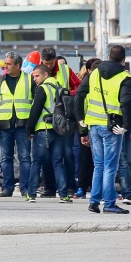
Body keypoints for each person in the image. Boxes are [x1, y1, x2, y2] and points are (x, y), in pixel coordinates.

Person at [75, 45, 131, 215]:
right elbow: (125, 104)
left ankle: (94, 202)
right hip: (113, 126)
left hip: (93, 123)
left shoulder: (95, 73)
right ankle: (109, 203)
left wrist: (81, 120)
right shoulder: (124, 77)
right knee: (110, 166)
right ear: (123, 59)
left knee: (99, 165)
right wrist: (125, 126)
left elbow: (78, 95)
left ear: (109, 56)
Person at [38, 48, 81, 198]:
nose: (48, 66)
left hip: (64, 119)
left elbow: (79, 86)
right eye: (45, 63)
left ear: (55, 59)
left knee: (68, 154)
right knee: (46, 156)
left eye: (50, 63)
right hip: (46, 120)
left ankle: (70, 186)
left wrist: (68, 95)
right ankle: (49, 187)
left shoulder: (65, 70)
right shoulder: (37, 71)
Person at [27, 64, 71, 203]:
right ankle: (64, 195)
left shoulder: (43, 89)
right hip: (58, 130)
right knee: (58, 163)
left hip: (43, 130)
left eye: (37, 76)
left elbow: (35, 111)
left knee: (36, 162)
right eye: (33, 76)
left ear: (46, 75)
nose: (34, 79)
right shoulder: (59, 88)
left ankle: (31, 194)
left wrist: (29, 129)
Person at [0, 51, 33, 198]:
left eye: (9, 64)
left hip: (23, 124)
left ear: (18, 65)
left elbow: (35, 102)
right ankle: (7, 188)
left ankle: (25, 188)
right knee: (6, 158)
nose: (5, 66)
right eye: (5, 63)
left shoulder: (29, 80)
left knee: (25, 157)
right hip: (5, 125)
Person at [74, 58, 100, 198]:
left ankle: (95, 189)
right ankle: (83, 188)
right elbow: (79, 105)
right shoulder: (86, 84)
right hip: (89, 125)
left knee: (98, 161)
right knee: (86, 158)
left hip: (97, 125)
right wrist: (83, 130)